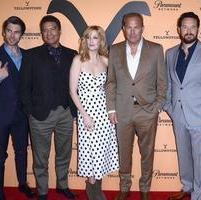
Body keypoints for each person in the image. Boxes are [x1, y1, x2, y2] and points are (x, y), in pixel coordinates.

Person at [105, 12, 166, 200]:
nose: (132, 31)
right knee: (124, 153)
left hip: (147, 111)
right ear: (123, 29)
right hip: (122, 111)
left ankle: (145, 189)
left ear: (142, 28)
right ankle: (125, 188)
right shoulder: (114, 50)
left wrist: (158, 106)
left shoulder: (156, 49)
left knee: (147, 153)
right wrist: (112, 108)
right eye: (128, 27)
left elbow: (162, 82)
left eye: (136, 27)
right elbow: (111, 82)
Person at [164, 12, 201, 200]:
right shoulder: (170, 53)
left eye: (193, 27)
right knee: (184, 154)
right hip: (178, 114)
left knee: (199, 158)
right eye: (185, 27)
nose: (189, 31)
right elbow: (169, 83)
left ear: (198, 28)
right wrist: (168, 107)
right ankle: (187, 187)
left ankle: (197, 194)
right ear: (179, 29)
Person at [20, 15, 77, 200]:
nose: (49, 32)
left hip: (66, 113)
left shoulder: (72, 54)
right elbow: (24, 87)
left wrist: (74, 111)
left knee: (64, 154)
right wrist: (30, 113)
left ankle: (62, 185)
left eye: (52, 29)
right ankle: (43, 191)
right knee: (41, 158)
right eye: (45, 30)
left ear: (59, 31)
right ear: (42, 33)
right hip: (40, 115)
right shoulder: (31, 55)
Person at [69, 25, 119, 200]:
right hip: (87, 113)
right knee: (91, 151)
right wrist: (84, 115)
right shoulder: (78, 60)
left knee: (102, 151)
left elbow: (112, 88)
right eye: (88, 37)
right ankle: (92, 188)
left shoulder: (106, 60)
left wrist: (113, 110)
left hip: (104, 113)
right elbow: (72, 91)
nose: (91, 41)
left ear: (101, 41)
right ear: (84, 40)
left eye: (95, 38)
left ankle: (96, 186)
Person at [0, 16, 35, 200]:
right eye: (9, 30)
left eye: (16, 32)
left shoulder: (28, 56)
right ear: (3, 31)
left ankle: (23, 184)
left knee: (21, 152)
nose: (12, 35)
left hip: (21, 115)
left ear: (21, 34)